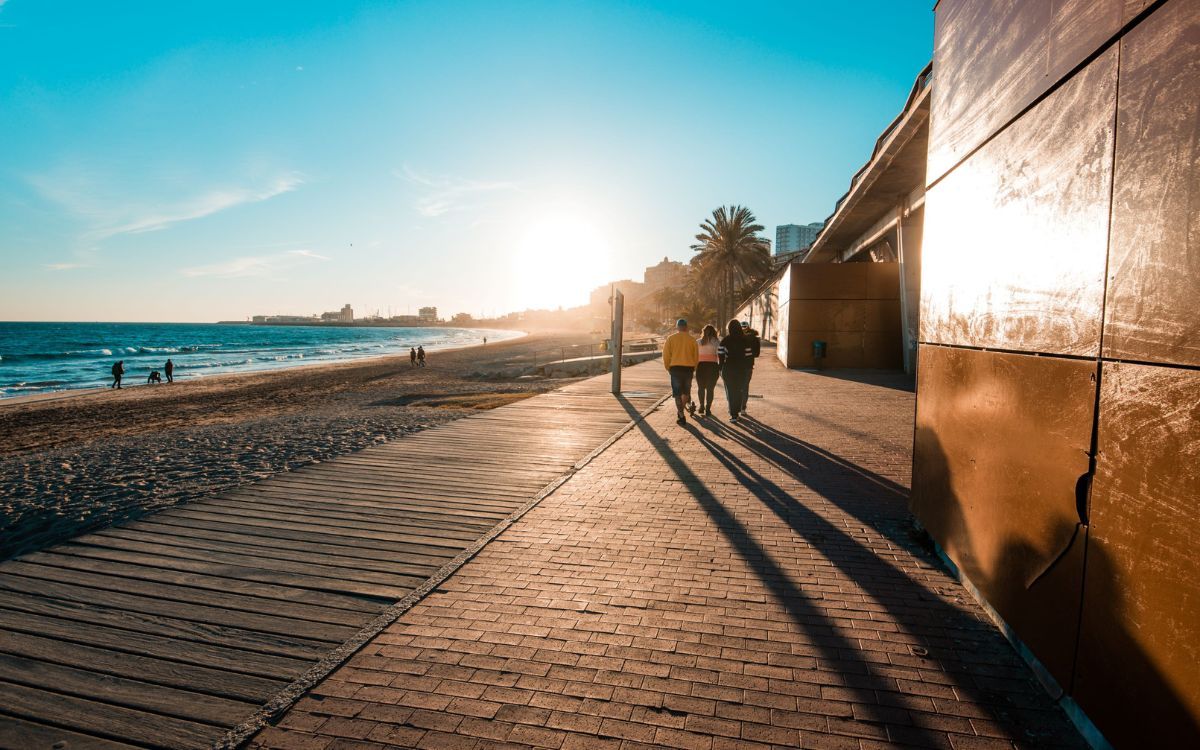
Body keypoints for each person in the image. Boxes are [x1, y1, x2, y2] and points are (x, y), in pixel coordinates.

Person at [662, 318, 699, 425]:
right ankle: (681, 412)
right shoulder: (692, 340)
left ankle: (681, 415)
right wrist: (694, 367)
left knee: (677, 393)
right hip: (688, 369)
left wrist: (668, 367)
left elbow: (666, 355)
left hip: (675, 369)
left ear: (677, 327)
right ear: (686, 327)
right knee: (686, 392)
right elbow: (696, 356)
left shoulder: (670, 339)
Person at [719, 319, 753, 423]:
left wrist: (720, 368)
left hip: (728, 369)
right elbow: (749, 356)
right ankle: (736, 412)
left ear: (729, 328)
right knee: (739, 390)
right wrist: (749, 368)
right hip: (741, 369)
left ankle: (733, 414)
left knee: (730, 391)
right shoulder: (745, 340)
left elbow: (720, 355)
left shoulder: (725, 340)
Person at [695, 324, 721, 417]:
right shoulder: (717, 342)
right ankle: (708, 408)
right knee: (710, 389)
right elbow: (720, 355)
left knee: (701, 388)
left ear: (703, 332)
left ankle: (701, 405)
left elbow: (694, 355)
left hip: (701, 366)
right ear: (714, 332)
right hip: (713, 367)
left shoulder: (698, 342)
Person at [739, 321, 761, 415]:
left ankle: (737, 407)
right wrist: (750, 353)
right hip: (748, 365)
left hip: (737, 365)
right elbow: (757, 354)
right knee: (745, 386)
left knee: (737, 386)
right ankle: (743, 408)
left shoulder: (737, 338)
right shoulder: (755, 339)